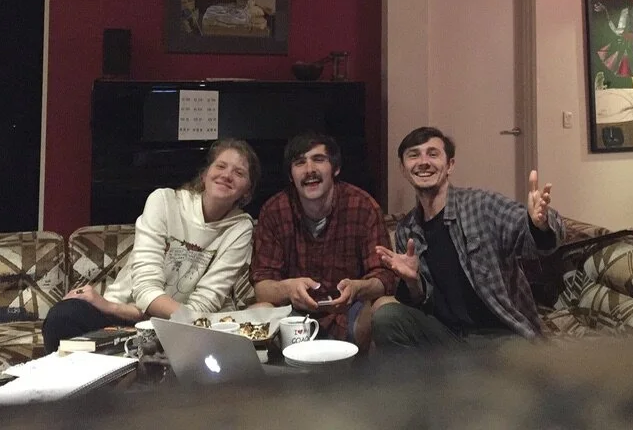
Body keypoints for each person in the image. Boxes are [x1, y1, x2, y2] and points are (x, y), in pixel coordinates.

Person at [42, 139, 257, 353]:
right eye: (220, 166)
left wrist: (178, 322)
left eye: (239, 173)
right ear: (204, 175)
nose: (227, 175)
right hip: (123, 319)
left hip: (179, 328)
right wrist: (114, 308)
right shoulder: (164, 202)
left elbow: (204, 305)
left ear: (247, 191)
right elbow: (146, 289)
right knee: (63, 317)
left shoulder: (240, 228)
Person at [372, 126, 564, 350]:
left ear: (450, 165)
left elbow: (532, 238)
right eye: (414, 155)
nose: (423, 162)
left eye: (432, 154)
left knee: (517, 363)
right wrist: (413, 283)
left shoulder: (481, 205)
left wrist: (538, 224)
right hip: (449, 336)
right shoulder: (408, 229)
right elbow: (421, 301)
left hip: (502, 337)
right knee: (387, 317)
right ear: (403, 169)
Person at [250, 132, 395, 349]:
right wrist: (288, 289)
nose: (309, 170)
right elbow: (262, 285)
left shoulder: (362, 205)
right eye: (300, 163)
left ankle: (376, 381)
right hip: (294, 318)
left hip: (350, 313)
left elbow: (384, 278)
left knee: (387, 307)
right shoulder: (274, 210)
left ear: (335, 169)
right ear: (291, 175)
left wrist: (358, 287)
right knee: (257, 311)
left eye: (318, 159)